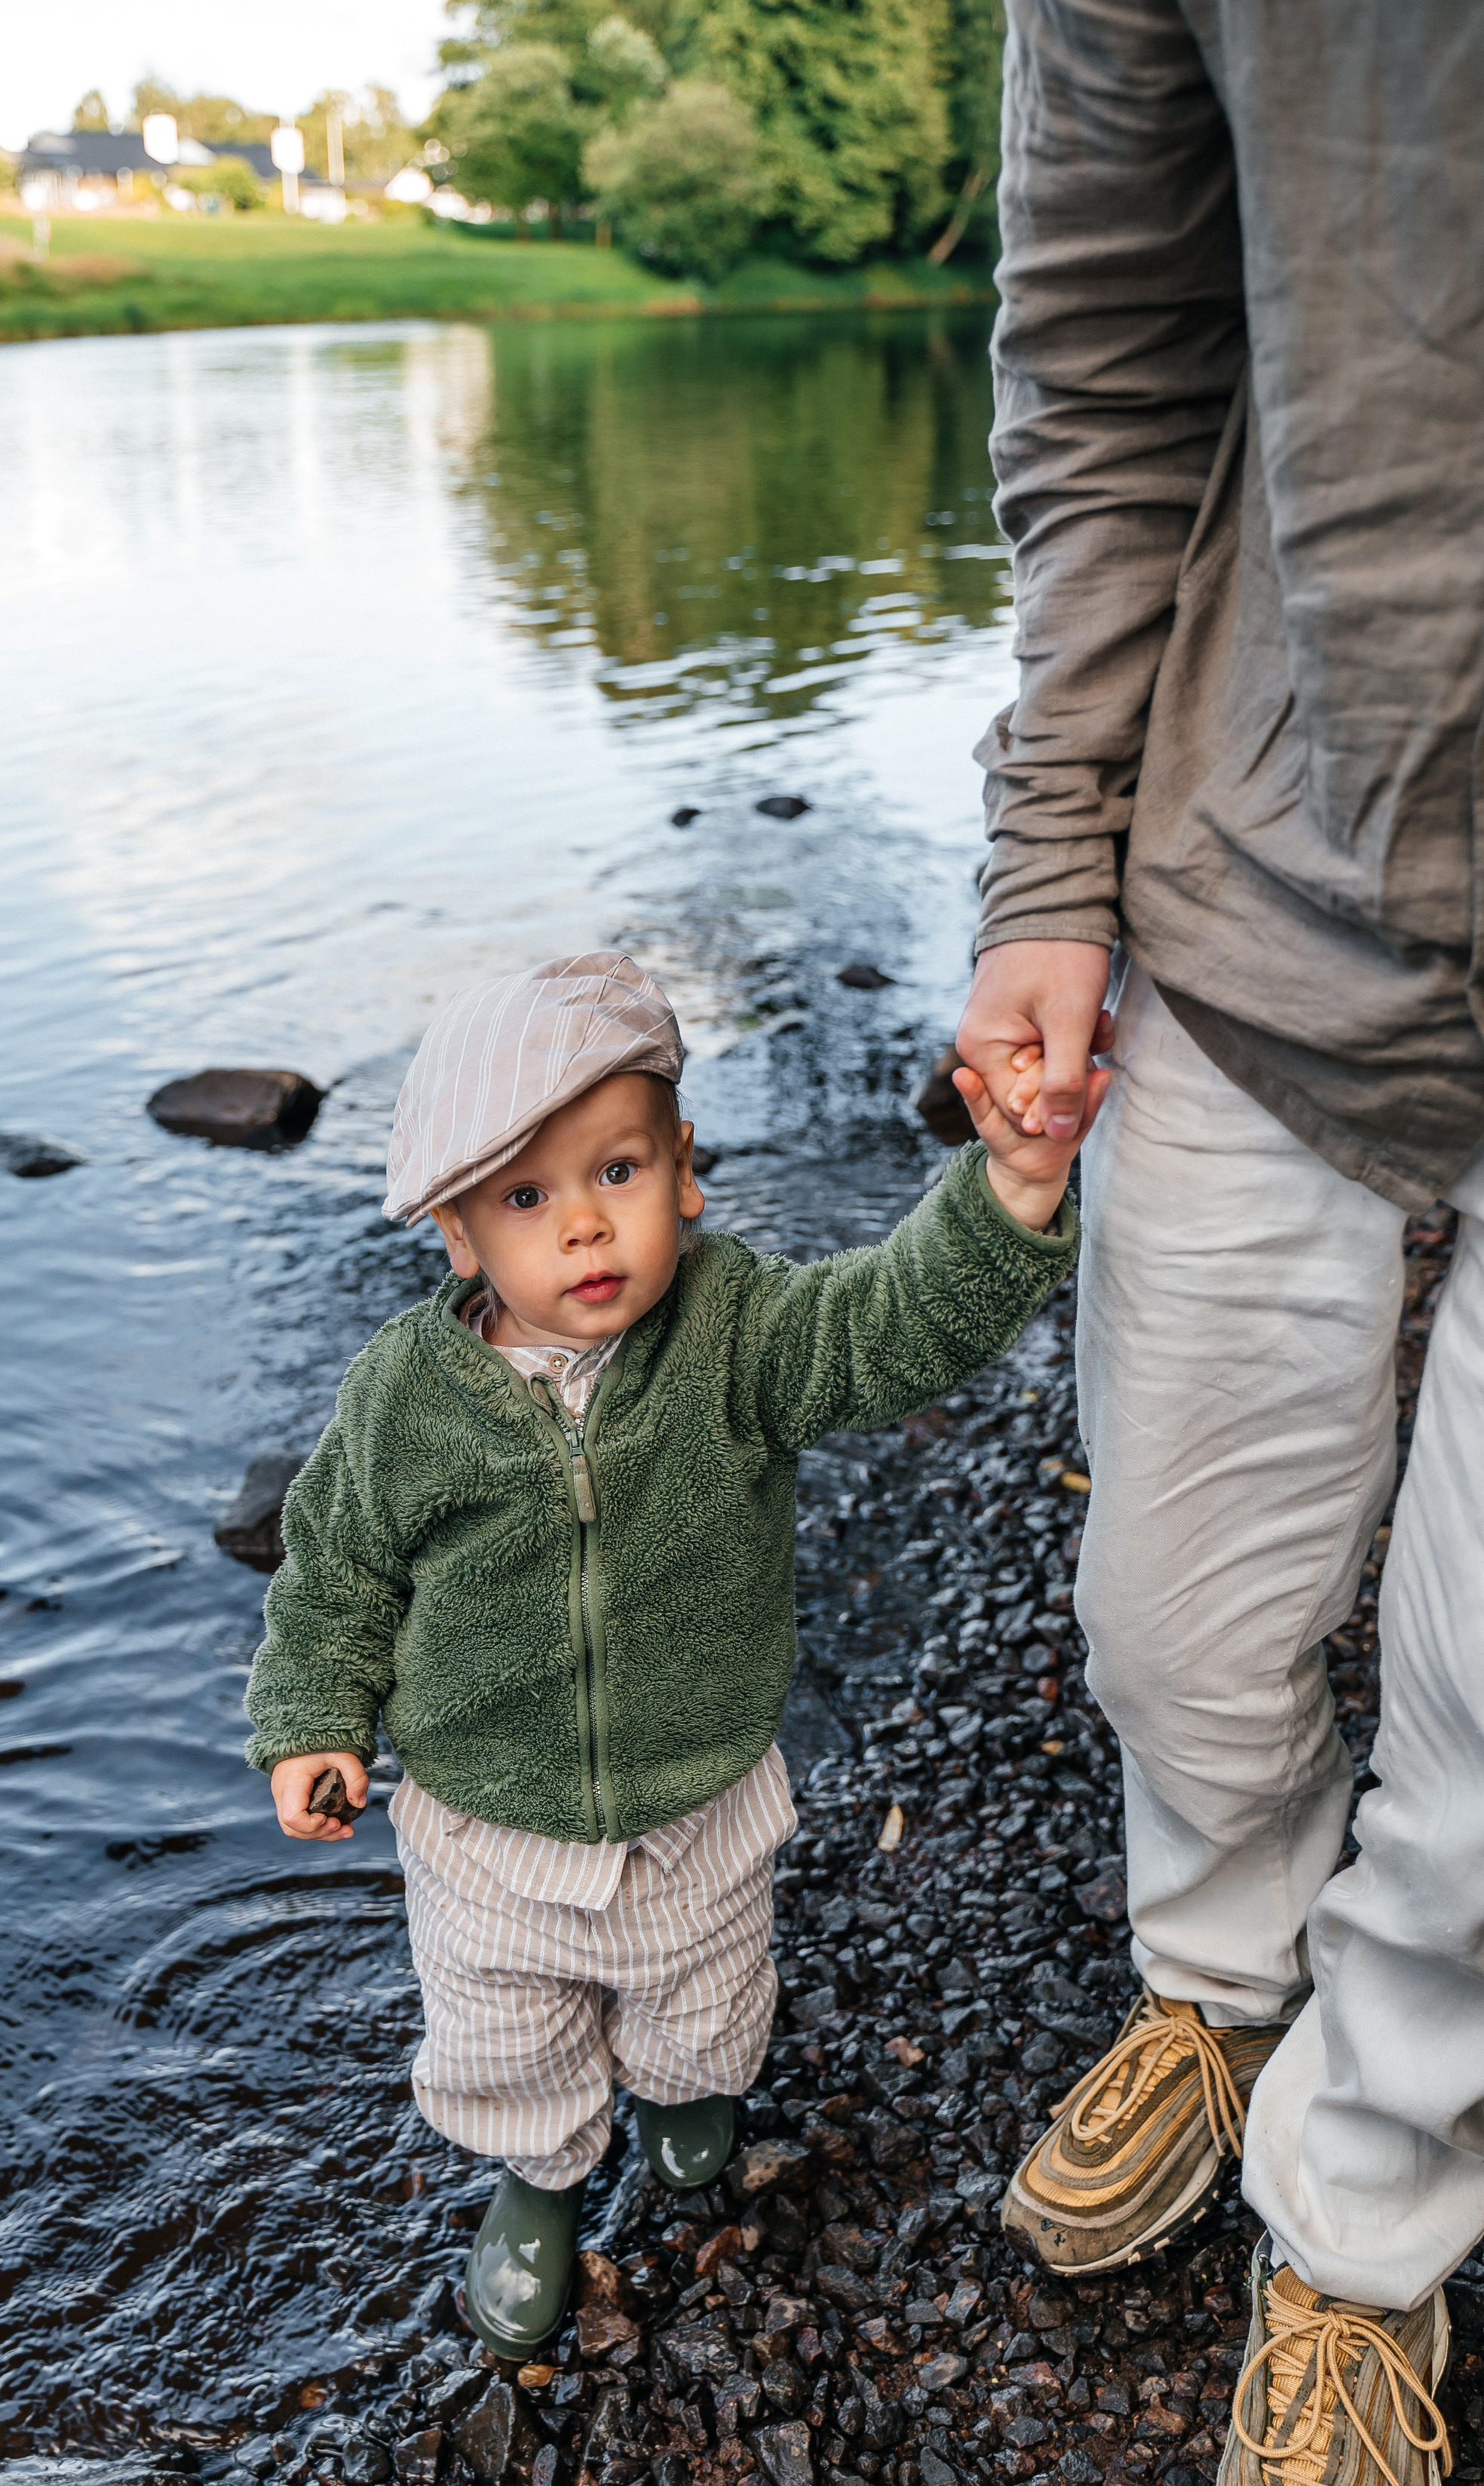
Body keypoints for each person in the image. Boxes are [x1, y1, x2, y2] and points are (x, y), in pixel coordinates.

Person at [954, 0, 1484, 2486]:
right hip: (1264, 882)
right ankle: (1217, 1968)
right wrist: (1051, 863)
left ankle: (1368, 2204)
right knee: (1168, 1612)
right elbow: (1114, 338)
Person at [247, 950, 1099, 2359]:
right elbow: (335, 1568)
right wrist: (313, 1719)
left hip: (694, 1785)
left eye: (617, 1172)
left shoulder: (733, 1336)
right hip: (483, 1815)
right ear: (457, 1234)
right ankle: (538, 2185)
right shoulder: (406, 1397)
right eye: (527, 1199)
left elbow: (883, 1329)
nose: (583, 1228)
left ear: (684, 1172)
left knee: (702, 1998)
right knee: (507, 2038)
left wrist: (1007, 1196)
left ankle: (686, 2103)